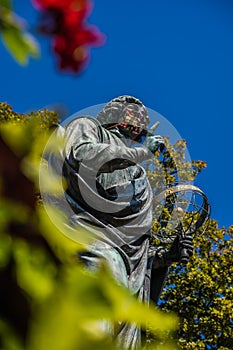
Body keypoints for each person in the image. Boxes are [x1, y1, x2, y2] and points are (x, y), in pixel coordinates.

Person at [59, 95, 193, 349]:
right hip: (91, 241)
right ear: (114, 114)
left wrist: (165, 256)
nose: (141, 119)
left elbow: (136, 241)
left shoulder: (139, 176)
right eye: (134, 112)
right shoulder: (88, 127)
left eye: (144, 117)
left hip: (128, 275)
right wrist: (141, 152)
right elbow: (82, 155)